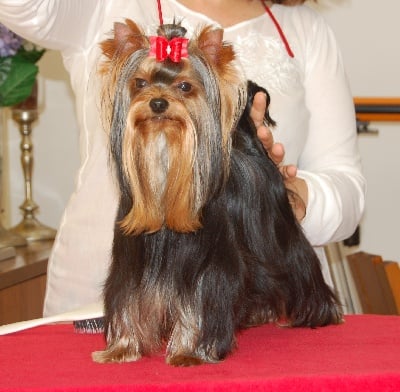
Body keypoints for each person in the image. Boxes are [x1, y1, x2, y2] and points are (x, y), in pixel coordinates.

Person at [0, 0, 366, 316]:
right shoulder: (105, 6)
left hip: (269, 306)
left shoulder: (305, 31)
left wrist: (279, 195)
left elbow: (349, 192)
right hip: (99, 301)